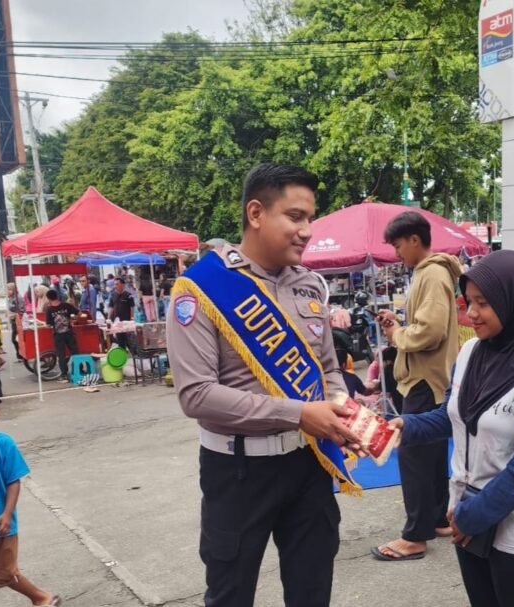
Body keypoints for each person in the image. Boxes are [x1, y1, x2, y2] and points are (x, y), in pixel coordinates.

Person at [167, 162, 362, 607]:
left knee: (312, 589)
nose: (308, 230)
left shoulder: (310, 285)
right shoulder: (199, 288)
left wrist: (338, 404)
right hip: (237, 472)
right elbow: (196, 394)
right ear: (256, 213)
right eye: (295, 217)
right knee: (231, 594)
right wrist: (298, 413)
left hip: (308, 465)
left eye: (310, 218)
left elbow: (329, 367)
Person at [388, 250, 514, 606]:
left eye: (483, 303)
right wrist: (405, 426)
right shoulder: (472, 351)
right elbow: (451, 415)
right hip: (469, 518)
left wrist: (471, 517)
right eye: (468, 301)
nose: (470, 314)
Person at [372, 211, 462, 561]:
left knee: (412, 454)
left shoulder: (432, 272)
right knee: (432, 453)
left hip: (426, 379)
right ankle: (437, 518)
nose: (396, 253)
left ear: (413, 239)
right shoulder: (430, 273)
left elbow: (431, 331)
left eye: (397, 245)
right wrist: (399, 325)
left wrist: (397, 333)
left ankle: (415, 536)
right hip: (432, 376)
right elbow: (426, 325)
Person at [0, 406, 61, 606]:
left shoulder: (2, 443)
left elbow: (13, 481)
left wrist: (7, 513)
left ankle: (41, 597)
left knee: (4, 572)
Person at [45, 290, 79, 382]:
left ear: (48, 298)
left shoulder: (49, 310)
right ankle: (78, 370)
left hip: (58, 335)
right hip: (69, 333)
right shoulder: (66, 305)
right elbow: (78, 313)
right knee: (75, 351)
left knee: (61, 355)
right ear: (57, 296)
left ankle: (64, 374)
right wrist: (74, 320)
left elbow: (48, 324)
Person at [108, 278, 134, 349]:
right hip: (117, 321)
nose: (115, 286)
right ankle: (122, 352)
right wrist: (108, 318)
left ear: (122, 285)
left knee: (128, 338)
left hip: (126, 321)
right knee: (120, 338)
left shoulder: (128, 295)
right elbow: (111, 307)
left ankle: (133, 352)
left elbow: (132, 308)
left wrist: (132, 318)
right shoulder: (113, 295)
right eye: (115, 284)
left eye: (117, 284)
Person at [6, 282, 24, 361]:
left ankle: (20, 354)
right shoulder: (9, 298)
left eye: (10, 289)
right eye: (7, 289)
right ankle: (19, 354)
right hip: (13, 321)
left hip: (18, 321)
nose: (8, 291)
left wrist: (14, 314)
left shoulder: (18, 298)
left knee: (15, 339)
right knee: (15, 339)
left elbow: (22, 310)